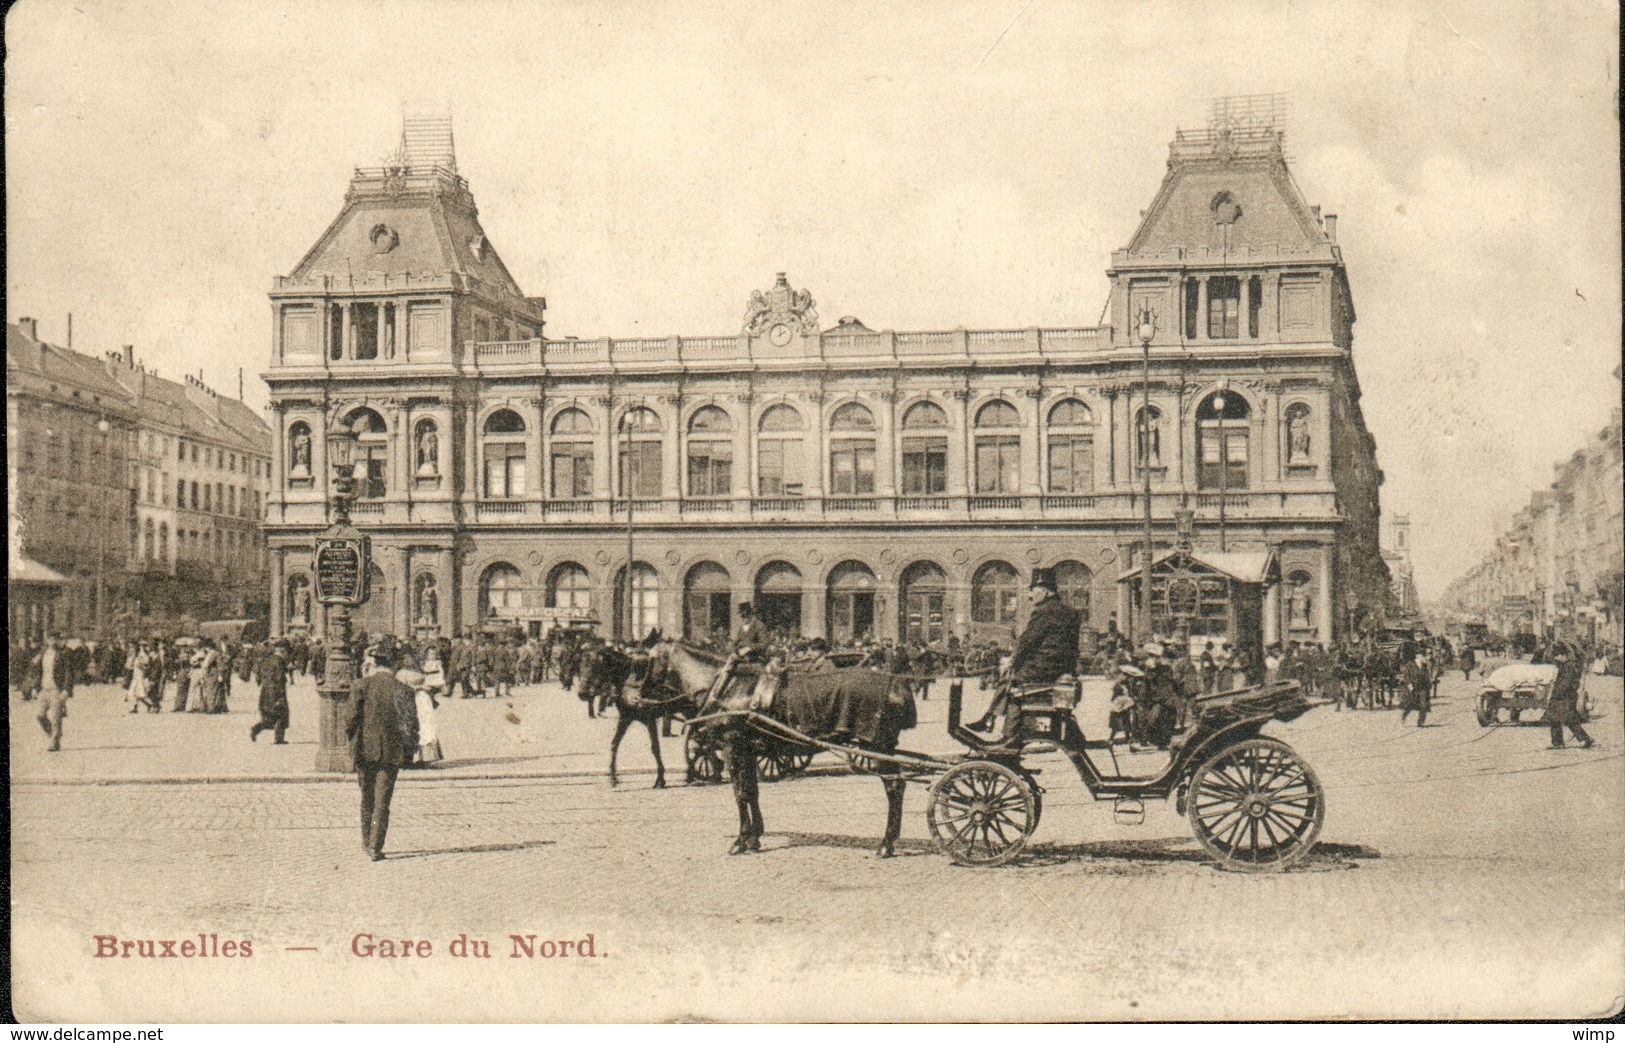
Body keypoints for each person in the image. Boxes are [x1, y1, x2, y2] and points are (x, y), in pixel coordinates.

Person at [970, 568, 1081, 737]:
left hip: (1043, 668)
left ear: (1045, 590)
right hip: (1062, 667)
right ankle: (991, 719)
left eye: (1033, 590)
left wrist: (1013, 661)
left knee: (1011, 682)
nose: (1030, 596)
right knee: (1011, 676)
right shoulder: (1070, 612)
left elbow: (1027, 642)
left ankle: (1004, 730)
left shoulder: (1043, 611)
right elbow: (1073, 647)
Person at [345, 637, 418, 861]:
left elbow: (350, 720)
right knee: (382, 801)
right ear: (395, 664)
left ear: (375, 663)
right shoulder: (404, 690)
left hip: (365, 751)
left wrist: (355, 742)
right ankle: (375, 846)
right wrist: (408, 749)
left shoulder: (361, 686)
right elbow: (411, 724)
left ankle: (366, 840)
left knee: (366, 796)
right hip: (391, 752)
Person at [1545, 642, 1594, 750]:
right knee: (1554, 719)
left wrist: (1556, 694)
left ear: (1564, 655)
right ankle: (1558, 743)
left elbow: (1566, 684)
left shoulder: (1569, 667)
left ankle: (1586, 739)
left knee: (1569, 719)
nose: (1556, 658)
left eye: (1558, 656)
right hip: (1561, 697)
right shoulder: (1564, 666)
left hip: (1566, 697)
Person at [36, 635, 78, 752]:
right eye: (50, 639)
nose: (52, 641)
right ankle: (54, 735)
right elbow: (38, 671)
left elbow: (68, 672)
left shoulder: (63, 653)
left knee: (55, 717)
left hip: (56, 689)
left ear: (58, 640)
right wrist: (35, 687)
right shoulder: (44, 652)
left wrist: (66, 690)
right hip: (44, 688)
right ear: (47, 640)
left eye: (55, 639)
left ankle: (54, 741)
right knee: (40, 715)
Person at [251, 641, 292, 744]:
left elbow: (258, 676)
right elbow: (279, 678)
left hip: (265, 691)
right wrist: (281, 695)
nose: (287, 655)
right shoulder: (280, 661)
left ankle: (255, 729)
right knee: (282, 713)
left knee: (269, 715)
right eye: (286, 652)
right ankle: (279, 739)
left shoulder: (267, 659)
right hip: (276, 691)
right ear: (283, 651)